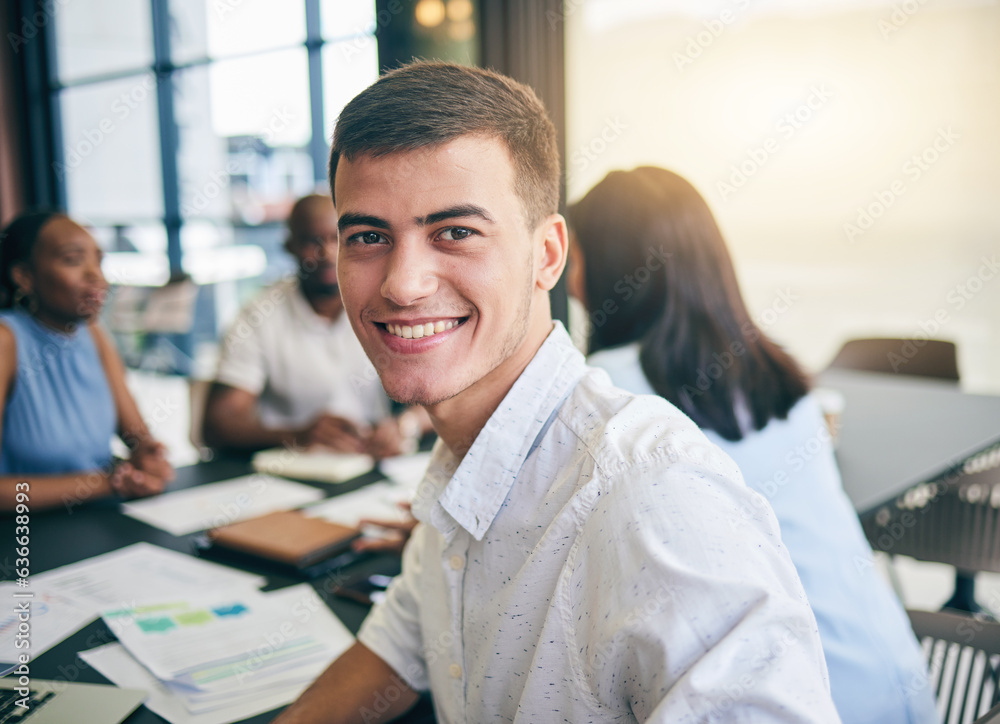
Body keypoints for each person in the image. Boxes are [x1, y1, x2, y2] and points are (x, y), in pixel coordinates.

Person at [274, 62, 839, 724]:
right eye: (368, 237)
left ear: (548, 256)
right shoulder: (462, 473)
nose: (403, 284)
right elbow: (396, 652)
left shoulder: (649, 492)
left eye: (455, 232)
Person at [568, 166, 937, 724]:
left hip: (798, 699)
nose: (567, 275)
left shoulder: (608, 391)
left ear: (609, 269)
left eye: (575, 255)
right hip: (893, 679)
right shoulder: (775, 370)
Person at [202, 194, 427, 457]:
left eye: (338, 239)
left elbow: (445, 391)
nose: (328, 253)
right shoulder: (259, 315)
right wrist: (300, 435)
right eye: (312, 241)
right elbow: (218, 425)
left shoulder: (388, 303)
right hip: (291, 472)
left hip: (372, 462)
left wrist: (404, 427)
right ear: (289, 246)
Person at [0, 211, 174, 511]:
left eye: (98, 261)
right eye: (73, 260)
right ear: (24, 277)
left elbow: (137, 436)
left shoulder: (93, 333)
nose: (96, 276)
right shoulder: (6, 340)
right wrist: (111, 481)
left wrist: (148, 456)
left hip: (96, 518)